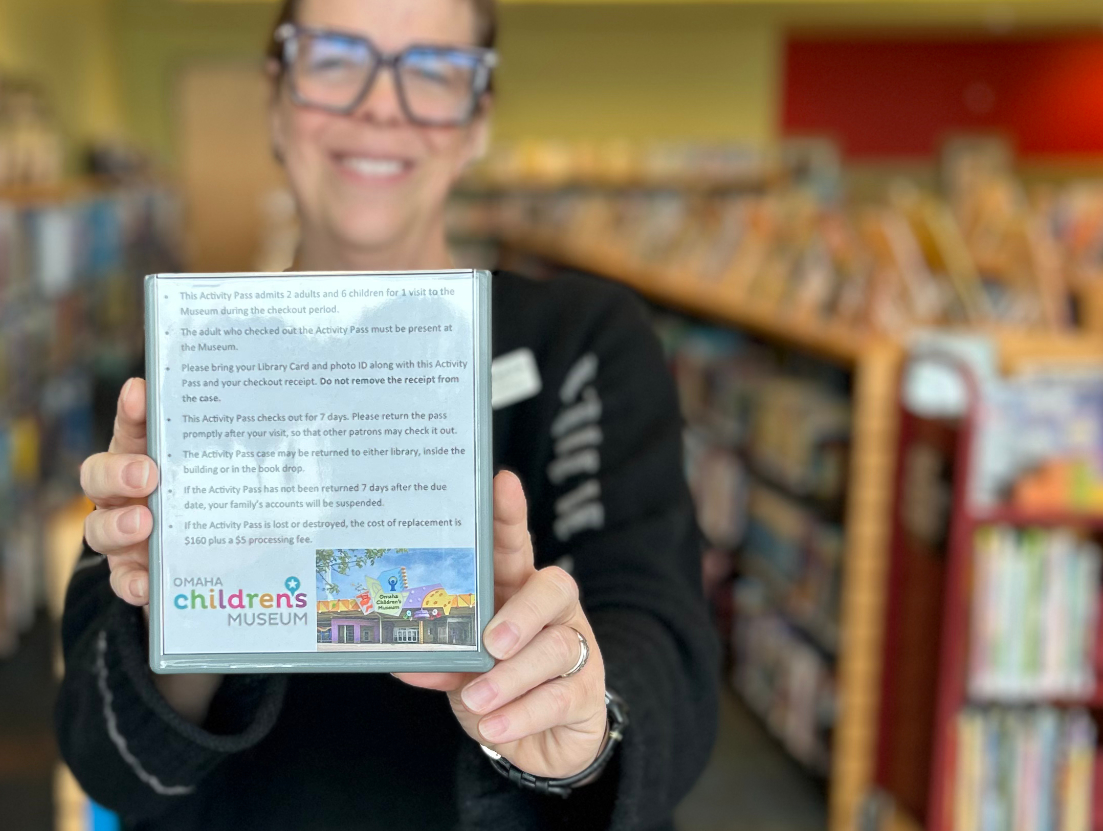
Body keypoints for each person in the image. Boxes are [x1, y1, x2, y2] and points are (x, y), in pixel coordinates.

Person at [56, 0, 719, 828]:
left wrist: (573, 711)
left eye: (432, 72)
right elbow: (102, 756)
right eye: (335, 58)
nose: (379, 105)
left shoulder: (583, 343)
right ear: (276, 96)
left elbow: (661, 639)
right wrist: (178, 616)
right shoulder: (195, 355)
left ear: (477, 119)